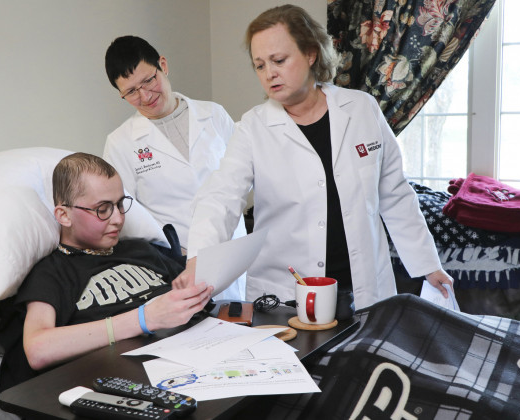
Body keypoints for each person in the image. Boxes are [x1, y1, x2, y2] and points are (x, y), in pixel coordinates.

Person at [176, 5, 453, 313]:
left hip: (363, 287)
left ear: (310, 54)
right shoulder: (253, 128)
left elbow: (395, 194)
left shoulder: (362, 109)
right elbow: (220, 197)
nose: (269, 73)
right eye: (259, 65)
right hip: (287, 294)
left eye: (279, 60)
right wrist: (199, 261)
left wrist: (429, 265)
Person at [0, 153, 213, 391]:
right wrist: (144, 318)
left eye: (120, 204)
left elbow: (188, 292)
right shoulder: (53, 272)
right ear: (64, 215)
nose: (118, 219)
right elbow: (38, 349)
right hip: (129, 383)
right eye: (103, 209)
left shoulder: (141, 250)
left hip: (194, 356)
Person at [103, 35, 247, 301]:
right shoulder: (120, 143)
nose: (145, 96)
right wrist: (174, 252)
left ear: (163, 65)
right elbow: (127, 211)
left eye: (148, 80)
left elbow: (240, 179)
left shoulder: (214, 115)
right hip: (174, 265)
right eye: (131, 92)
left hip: (232, 255)